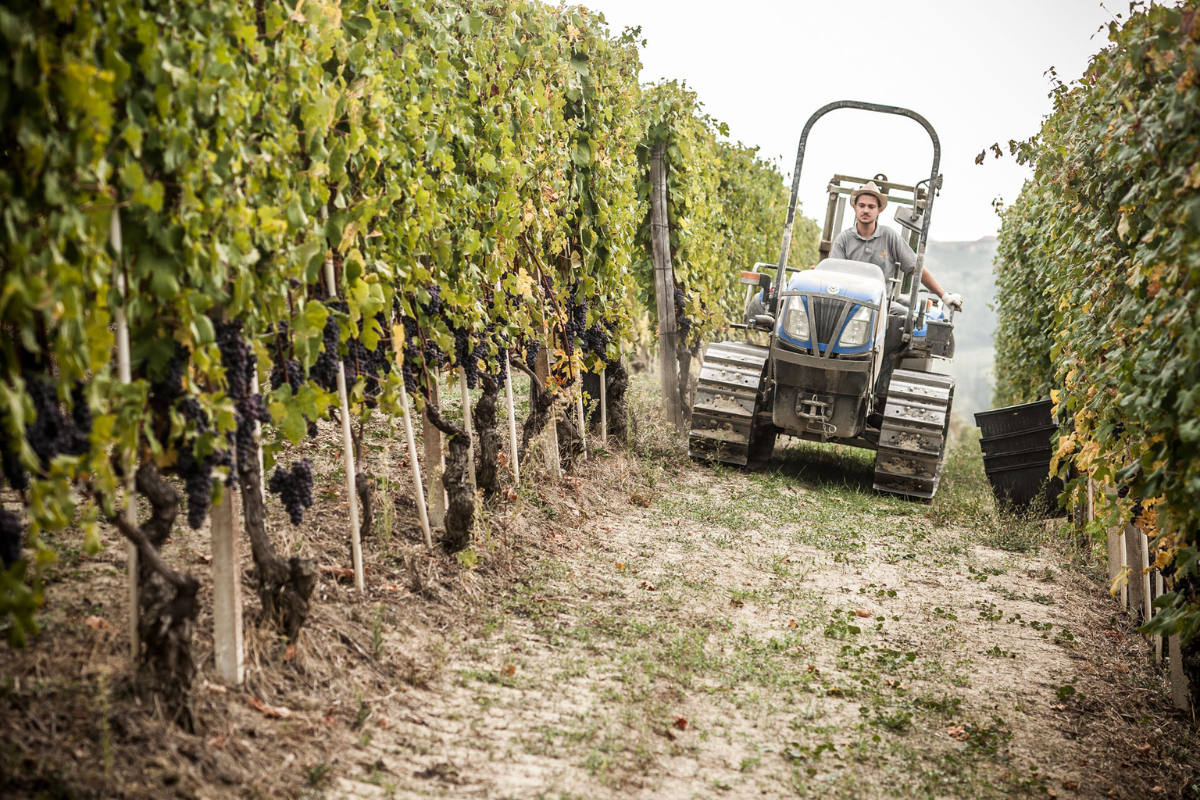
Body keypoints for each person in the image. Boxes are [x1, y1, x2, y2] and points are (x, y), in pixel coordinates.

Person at [829, 181, 963, 311]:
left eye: (871, 207)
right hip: (848, 303)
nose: (865, 210)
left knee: (902, 315)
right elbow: (832, 273)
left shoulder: (889, 236)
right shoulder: (843, 239)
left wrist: (944, 296)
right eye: (861, 205)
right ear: (855, 207)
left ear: (879, 210)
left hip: (880, 306)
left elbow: (916, 267)